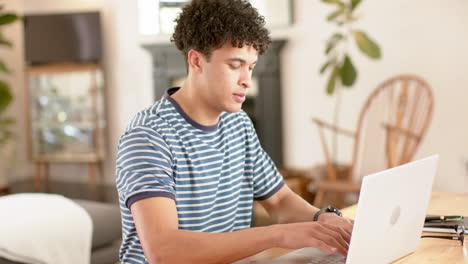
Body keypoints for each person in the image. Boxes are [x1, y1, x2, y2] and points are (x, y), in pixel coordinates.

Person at [115, 0, 353, 263]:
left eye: (250, 67)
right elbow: (164, 251)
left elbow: (281, 200)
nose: (247, 81)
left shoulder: (237, 123)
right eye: (234, 65)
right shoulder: (148, 136)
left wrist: (324, 219)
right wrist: (278, 235)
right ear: (196, 61)